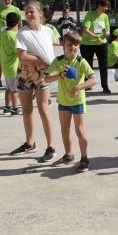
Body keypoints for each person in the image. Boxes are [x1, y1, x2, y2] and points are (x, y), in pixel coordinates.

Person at [10, 0, 59, 162]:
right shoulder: (22, 33)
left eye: (32, 11)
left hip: (42, 74)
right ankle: (30, 143)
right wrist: (39, 59)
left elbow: (50, 49)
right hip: (26, 74)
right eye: (26, 12)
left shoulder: (48, 31)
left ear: (40, 13)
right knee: (26, 110)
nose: (29, 14)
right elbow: (22, 56)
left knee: (44, 109)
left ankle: (51, 146)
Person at [44, 31, 97, 173]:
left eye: (75, 44)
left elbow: (93, 79)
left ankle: (84, 158)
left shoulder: (81, 62)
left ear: (79, 46)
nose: (72, 47)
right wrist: (59, 75)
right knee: (65, 130)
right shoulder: (58, 61)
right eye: (69, 44)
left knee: (79, 130)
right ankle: (68, 155)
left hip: (78, 102)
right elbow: (46, 78)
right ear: (64, 45)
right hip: (63, 101)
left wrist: (78, 87)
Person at [0, 0, 21, 89]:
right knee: (0, 59)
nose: (7, 1)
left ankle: (17, 77)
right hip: (1, 38)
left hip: (13, 37)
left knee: (17, 57)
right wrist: (1, 31)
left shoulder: (16, 10)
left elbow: (20, 25)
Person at [80, 0, 111, 94]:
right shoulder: (90, 14)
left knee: (103, 65)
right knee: (87, 66)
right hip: (87, 44)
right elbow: (85, 30)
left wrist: (106, 33)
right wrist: (95, 37)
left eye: (107, 6)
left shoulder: (105, 16)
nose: (106, 8)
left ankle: (105, 86)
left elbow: (108, 33)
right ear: (98, 5)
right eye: (105, 6)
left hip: (101, 44)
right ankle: (87, 85)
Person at [0, 12, 21, 116]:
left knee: (8, 89)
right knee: (14, 90)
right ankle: (15, 109)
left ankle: (7, 107)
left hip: (5, 65)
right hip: (13, 67)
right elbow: (18, 52)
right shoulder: (13, 36)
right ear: (17, 23)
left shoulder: (3, 32)